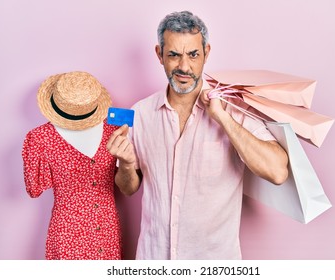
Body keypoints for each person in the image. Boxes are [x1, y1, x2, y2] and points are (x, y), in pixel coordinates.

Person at [106, 11, 289, 260]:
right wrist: (126, 165)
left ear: (206, 52)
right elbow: (128, 189)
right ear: (159, 55)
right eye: (173, 55)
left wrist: (223, 119)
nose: (184, 66)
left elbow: (277, 172)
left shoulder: (232, 110)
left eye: (193, 55)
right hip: (153, 258)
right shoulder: (141, 113)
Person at [22, 71, 122, 259]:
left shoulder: (115, 131)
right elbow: (34, 189)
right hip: (67, 232)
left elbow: (130, 179)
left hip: (106, 231)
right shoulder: (40, 139)